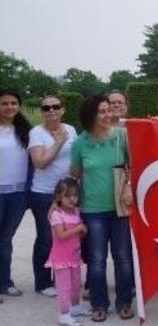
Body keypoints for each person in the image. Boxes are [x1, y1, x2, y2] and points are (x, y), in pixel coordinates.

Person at [69, 94, 134, 322]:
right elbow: (74, 176)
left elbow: (134, 166)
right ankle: (99, 303)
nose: (109, 114)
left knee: (123, 257)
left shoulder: (122, 137)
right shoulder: (79, 143)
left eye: (109, 110)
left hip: (120, 208)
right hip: (92, 209)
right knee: (96, 259)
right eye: (102, 111)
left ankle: (125, 301)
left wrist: (128, 185)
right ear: (90, 115)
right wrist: (60, 207)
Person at [28, 94, 78, 298]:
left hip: (67, 195)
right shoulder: (36, 133)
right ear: (42, 112)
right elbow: (40, 162)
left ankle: (61, 276)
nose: (51, 110)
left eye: (55, 106)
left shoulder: (71, 129)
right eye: (46, 108)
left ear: (63, 109)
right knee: (47, 237)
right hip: (44, 194)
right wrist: (58, 142)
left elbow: (75, 159)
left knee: (66, 238)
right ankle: (42, 281)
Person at [0, 88, 31, 299]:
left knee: (5, 239)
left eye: (13, 103)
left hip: (18, 194)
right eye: (5, 103)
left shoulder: (26, 130)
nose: (9, 107)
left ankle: (5, 282)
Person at [46, 178, 88, 326]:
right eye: (67, 195)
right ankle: (63, 315)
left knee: (76, 285)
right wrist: (79, 228)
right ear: (58, 197)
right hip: (61, 259)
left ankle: (75, 307)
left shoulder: (76, 211)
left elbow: (79, 233)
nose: (72, 199)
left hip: (74, 256)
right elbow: (61, 235)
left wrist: (82, 232)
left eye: (75, 195)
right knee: (64, 288)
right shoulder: (56, 215)